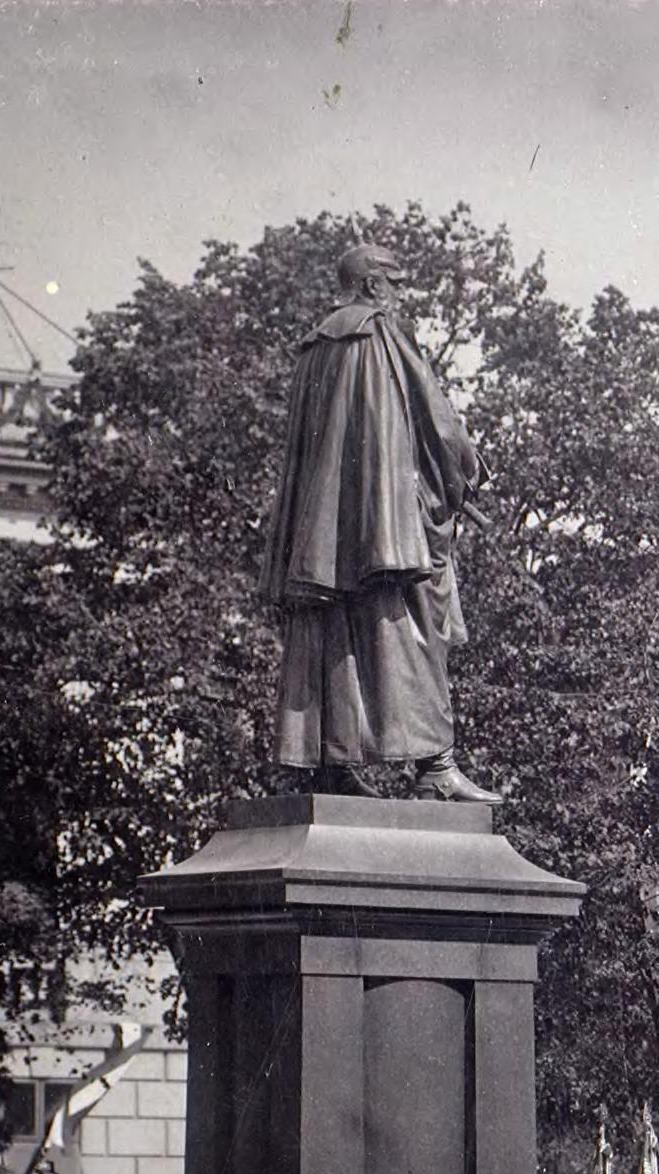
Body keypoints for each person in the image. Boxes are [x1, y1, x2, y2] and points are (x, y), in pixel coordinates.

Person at [262, 241, 497, 799]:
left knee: (335, 632)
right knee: (413, 626)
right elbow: (434, 419)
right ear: (372, 286)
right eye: (394, 283)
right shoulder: (381, 332)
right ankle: (436, 770)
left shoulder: (315, 348)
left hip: (322, 532)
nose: (399, 294)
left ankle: (332, 765)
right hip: (384, 520)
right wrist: (463, 473)